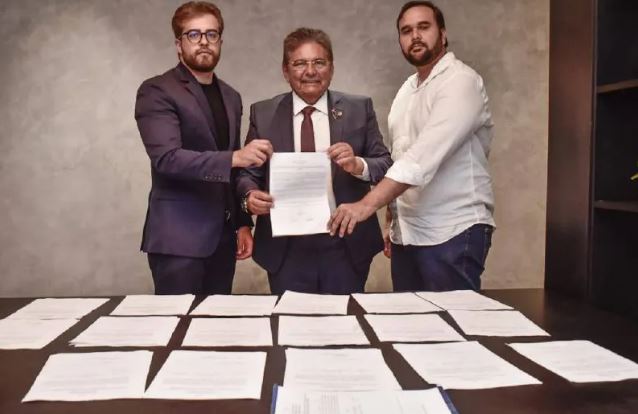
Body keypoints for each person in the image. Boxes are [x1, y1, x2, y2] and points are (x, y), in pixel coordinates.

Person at [329, 1, 495, 292]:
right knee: (410, 319)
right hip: (408, 235)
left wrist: (366, 205)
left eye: (424, 27)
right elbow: (400, 158)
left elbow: (420, 159)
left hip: (453, 232)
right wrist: (392, 221)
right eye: (406, 31)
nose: (415, 36)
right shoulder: (407, 90)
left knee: (451, 319)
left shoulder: (461, 82)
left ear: (443, 34)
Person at [237, 28, 392, 295]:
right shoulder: (263, 113)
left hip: (345, 244)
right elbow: (247, 173)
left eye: (319, 62)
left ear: (331, 68)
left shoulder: (358, 109)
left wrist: (358, 165)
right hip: (286, 249)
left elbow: (385, 164)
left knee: (346, 320)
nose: (310, 71)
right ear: (285, 71)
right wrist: (249, 196)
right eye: (300, 63)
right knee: (291, 320)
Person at [135, 1, 272, 294]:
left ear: (220, 41)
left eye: (211, 34)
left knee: (217, 321)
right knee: (178, 322)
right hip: (178, 241)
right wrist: (235, 157)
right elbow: (167, 159)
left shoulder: (231, 97)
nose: (204, 42)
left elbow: (232, 172)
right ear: (179, 44)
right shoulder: (156, 90)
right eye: (193, 34)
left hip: (223, 240)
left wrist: (242, 223)